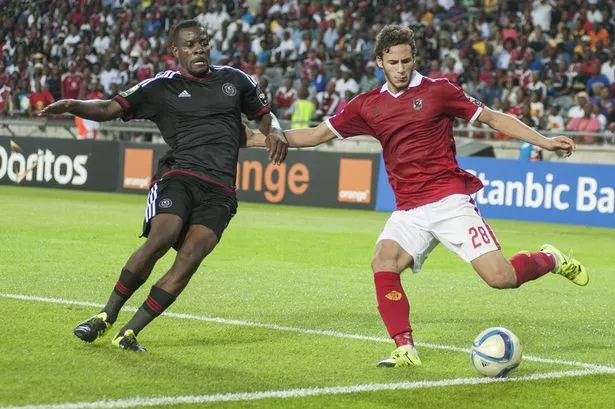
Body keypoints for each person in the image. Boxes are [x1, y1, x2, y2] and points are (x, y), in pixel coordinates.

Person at [249, 25, 588, 368]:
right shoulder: (367, 105)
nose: (400, 68)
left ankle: (552, 259)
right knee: (383, 260)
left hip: (449, 199)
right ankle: (405, 347)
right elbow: (317, 134)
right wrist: (255, 139)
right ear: (379, 61)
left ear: (414, 58)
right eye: (393, 62)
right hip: (409, 208)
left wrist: (543, 141)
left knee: (501, 278)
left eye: (406, 61)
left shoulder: (439, 91)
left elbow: (491, 118)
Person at [38, 19, 288, 352]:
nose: (198, 48)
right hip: (179, 176)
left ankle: (130, 332)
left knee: (190, 257)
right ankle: (105, 315)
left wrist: (276, 131)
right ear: (175, 51)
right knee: (162, 237)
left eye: (202, 42)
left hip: (221, 190)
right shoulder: (160, 87)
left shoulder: (235, 79)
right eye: (189, 44)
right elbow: (109, 108)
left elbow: (265, 114)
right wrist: (73, 106)